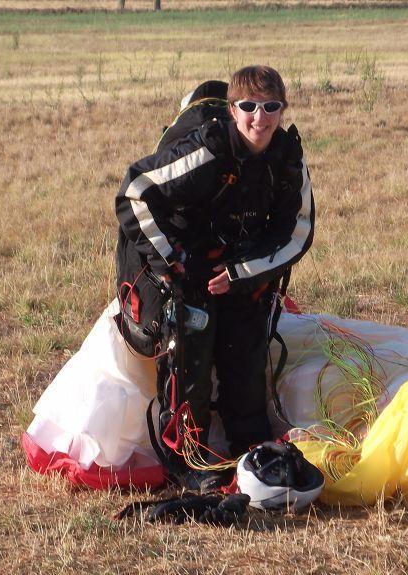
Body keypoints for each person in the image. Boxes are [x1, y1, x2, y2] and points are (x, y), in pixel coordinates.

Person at [114, 65, 315, 491]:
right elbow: (134, 192)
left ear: (283, 110)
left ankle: (251, 451)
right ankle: (186, 458)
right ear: (232, 110)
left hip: (235, 263)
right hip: (178, 258)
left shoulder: (286, 160)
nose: (259, 118)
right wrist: (173, 261)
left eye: (271, 107)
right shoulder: (205, 151)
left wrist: (241, 275)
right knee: (192, 332)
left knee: (246, 342)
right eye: (248, 107)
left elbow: (297, 233)